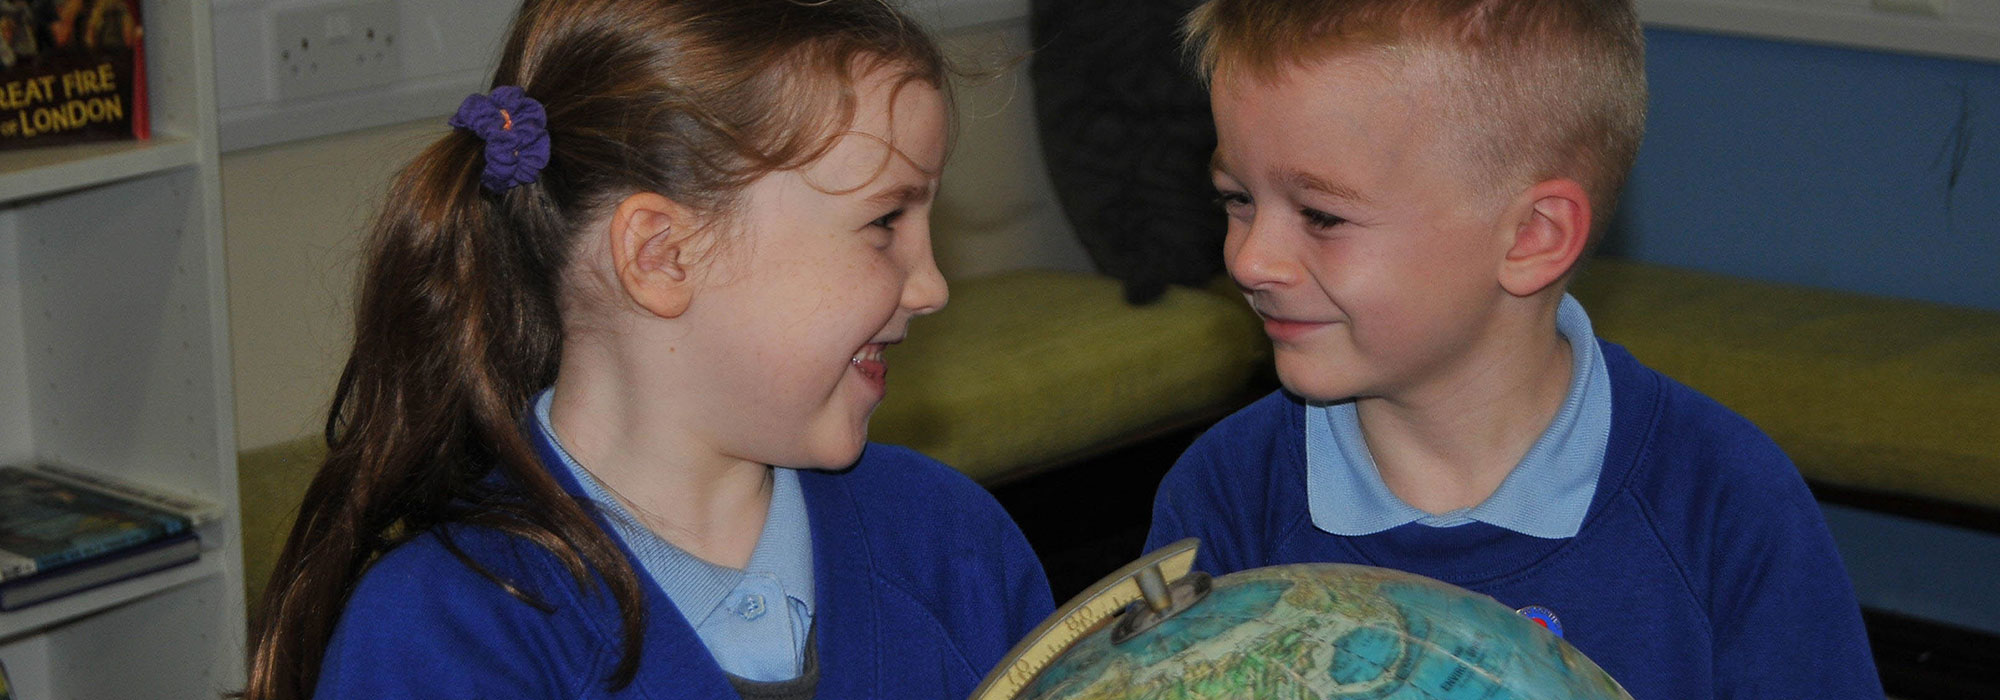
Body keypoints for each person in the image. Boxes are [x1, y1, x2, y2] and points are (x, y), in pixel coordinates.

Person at [242, 1, 1053, 698]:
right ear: (662, 257)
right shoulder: (445, 633)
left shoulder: (952, 546)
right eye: (884, 224)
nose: (932, 286)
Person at [1144, 1, 1882, 698]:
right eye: (1238, 199)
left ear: (1532, 237)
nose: (1250, 260)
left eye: (1321, 215)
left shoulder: (1724, 500)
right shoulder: (1226, 494)